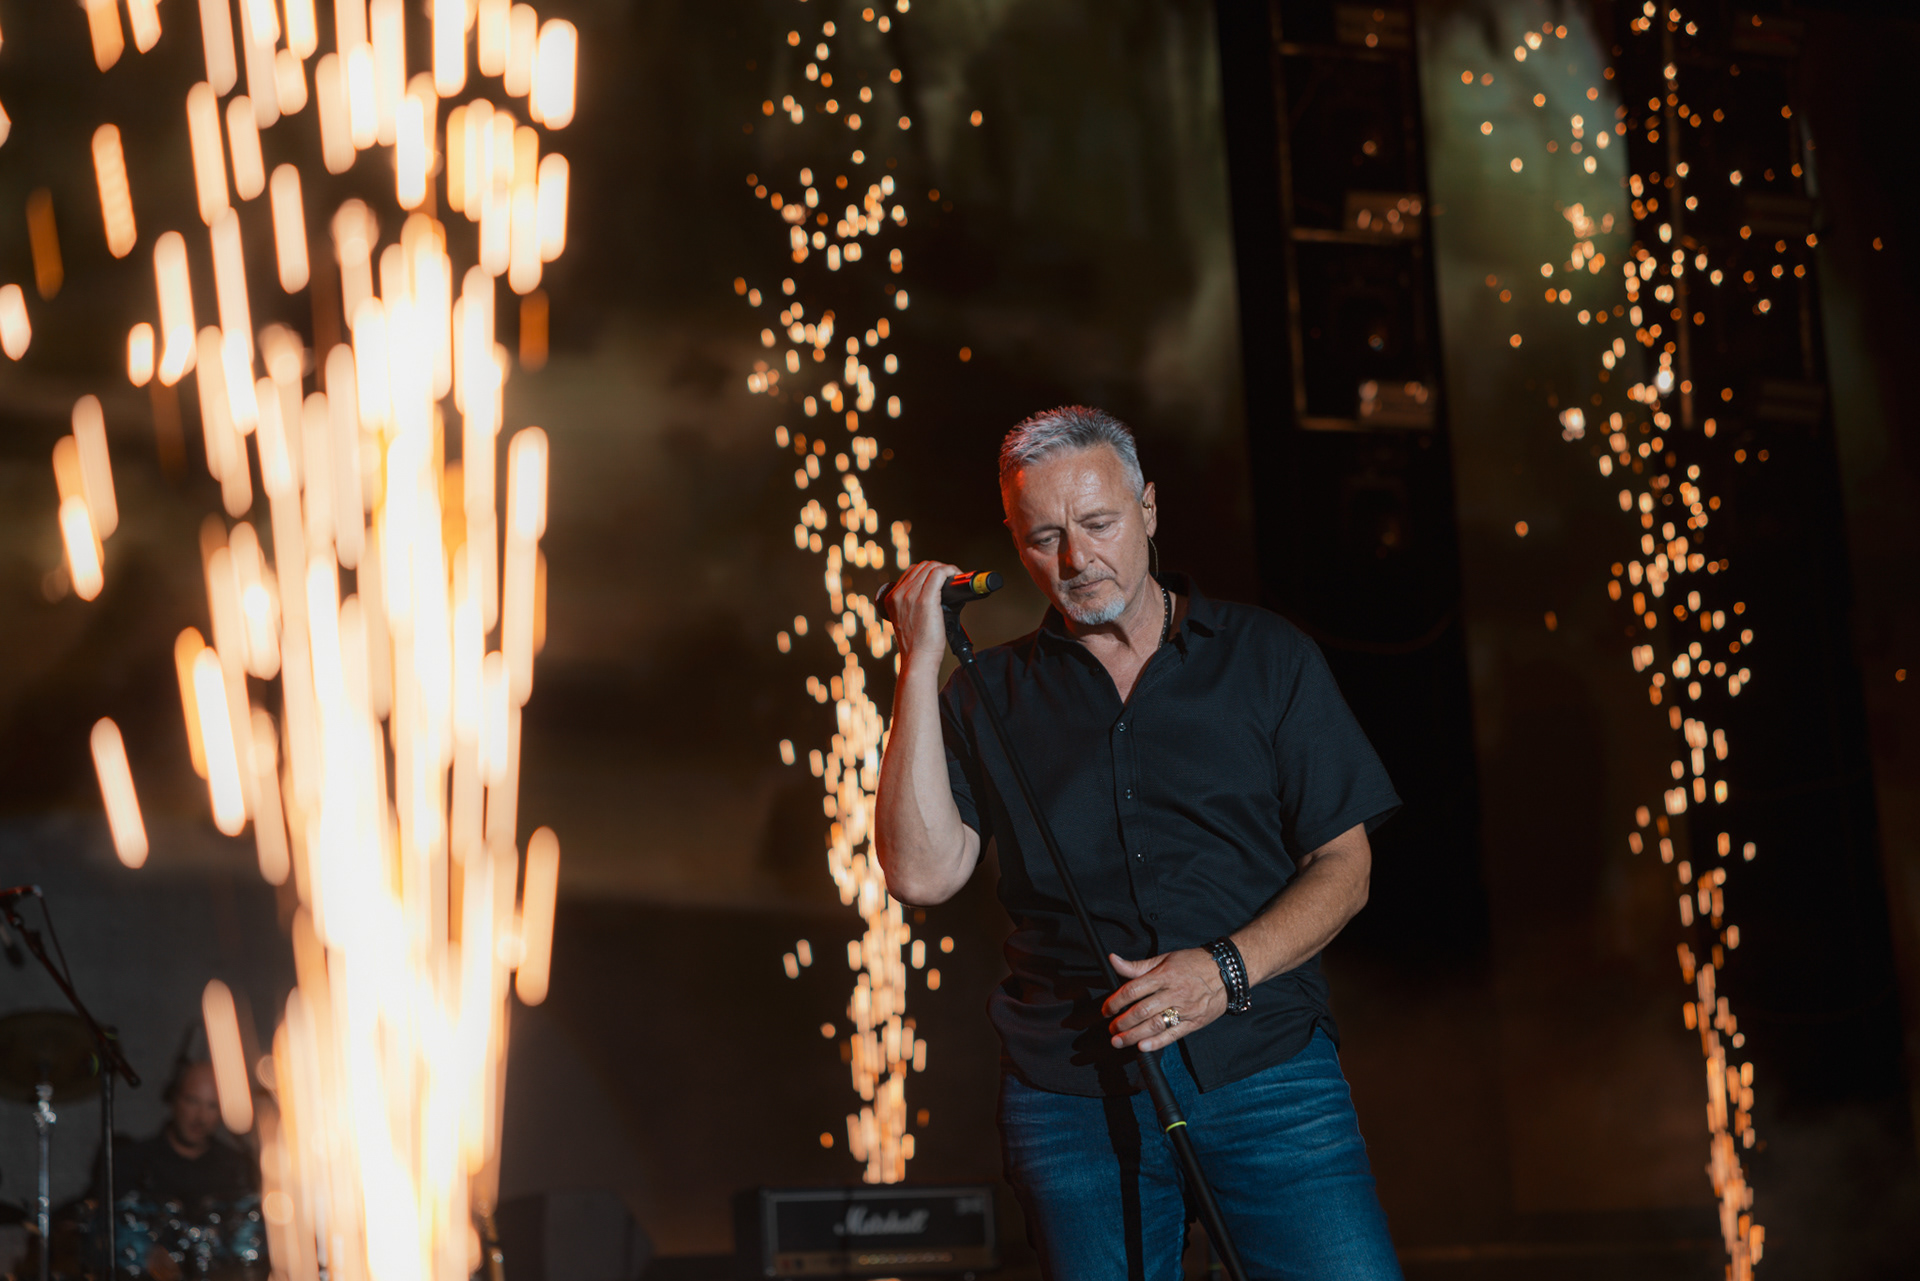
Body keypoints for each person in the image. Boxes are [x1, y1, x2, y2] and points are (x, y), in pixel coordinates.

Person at [875, 406, 1405, 1280]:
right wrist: (918, 661)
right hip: (1074, 1096)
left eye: (1098, 523)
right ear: (1014, 542)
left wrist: (1222, 970)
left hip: (1265, 1069)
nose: (1077, 559)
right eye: (1044, 537)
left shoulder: (1264, 656)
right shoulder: (984, 692)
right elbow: (921, 874)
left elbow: (1346, 866)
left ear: (1149, 508)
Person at [98, 1058, 258, 1280]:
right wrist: (145, 1253)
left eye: (212, 1106)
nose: (200, 1117)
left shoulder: (238, 1168)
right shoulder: (131, 1161)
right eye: (192, 1101)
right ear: (173, 1098)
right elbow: (101, 1231)